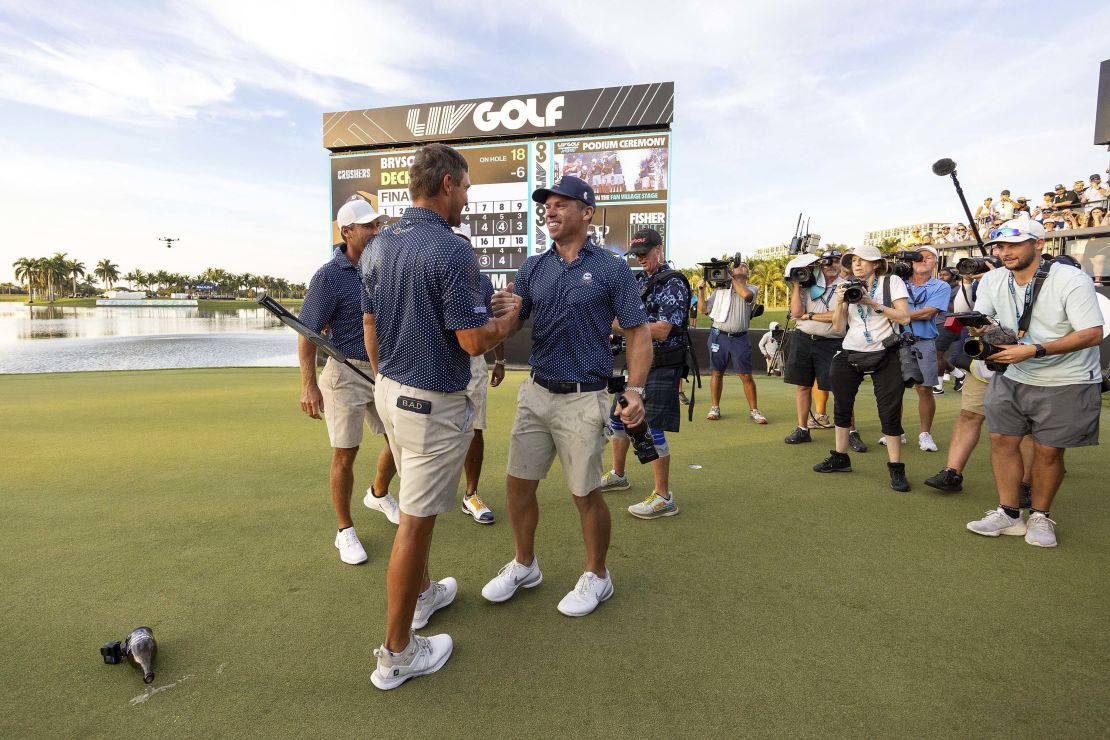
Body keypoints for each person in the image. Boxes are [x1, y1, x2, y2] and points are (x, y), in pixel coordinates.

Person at [362, 143, 520, 689]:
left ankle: (424, 595)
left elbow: (371, 325)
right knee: (414, 523)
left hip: (391, 389)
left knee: (413, 507)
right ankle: (397, 653)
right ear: (448, 184)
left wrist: (389, 379)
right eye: (468, 187)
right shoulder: (451, 250)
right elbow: (473, 340)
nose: (469, 197)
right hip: (430, 405)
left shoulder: (379, 245)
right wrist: (509, 321)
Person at [482, 175, 651, 617]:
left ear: (587, 212)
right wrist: (505, 314)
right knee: (518, 485)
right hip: (536, 392)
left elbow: (638, 333)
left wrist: (635, 389)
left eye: (561, 204)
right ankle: (525, 565)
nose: (550, 212)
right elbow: (515, 325)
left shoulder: (613, 268)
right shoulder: (533, 267)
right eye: (546, 206)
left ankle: (598, 575)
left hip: (584, 396)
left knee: (584, 494)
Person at [964, 219, 1103, 547]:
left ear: (1039, 244)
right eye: (1000, 246)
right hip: (1012, 373)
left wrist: (1034, 349)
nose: (1005, 252)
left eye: (1014, 245)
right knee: (1001, 440)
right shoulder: (994, 280)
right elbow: (985, 321)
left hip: (1066, 379)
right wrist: (981, 331)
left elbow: (1092, 334)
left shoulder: (1071, 279)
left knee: (1047, 450)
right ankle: (1009, 514)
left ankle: (1040, 515)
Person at [298, 198, 399, 566]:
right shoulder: (328, 276)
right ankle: (345, 530)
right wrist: (308, 384)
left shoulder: (385, 266)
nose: (376, 232)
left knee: (398, 438)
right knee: (346, 453)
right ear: (346, 232)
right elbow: (307, 333)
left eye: (377, 226)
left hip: (381, 369)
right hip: (343, 374)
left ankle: (378, 493)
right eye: (368, 227)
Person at [600, 228, 690, 519]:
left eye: (644, 253)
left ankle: (664, 496)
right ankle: (619, 474)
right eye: (635, 254)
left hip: (663, 364)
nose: (639, 259)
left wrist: (620, 325)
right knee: (618, 419)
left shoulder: (673, 282)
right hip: (637, 363)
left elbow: (663, 330)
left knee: (652, 428)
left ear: (659, 249)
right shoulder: (639, 281)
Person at [813, 245, 913, 491]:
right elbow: (837, 327)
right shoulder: (847, 286)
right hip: (851, 350)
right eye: (854, 260)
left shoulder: (892, 282)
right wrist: (839, 303)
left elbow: (904, 318)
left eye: (863, 260)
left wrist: (872, 302)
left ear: (877, 263)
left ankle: (896, 468)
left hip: (886, 351)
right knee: (842, 405)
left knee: (889, 410)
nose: (857, 264)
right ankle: (840, 457)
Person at [453, 224, 506, 525]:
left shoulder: (482, 283)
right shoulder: (429, 273)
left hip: (473, 364)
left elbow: (493, 325)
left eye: (463, 245)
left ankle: (470, 494)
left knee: (475, 430)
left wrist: (500, 360)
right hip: (435, 365)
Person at [782, 252, 860, 448]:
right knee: (802, 385)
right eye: (826, 262)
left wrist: (810, 316)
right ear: (818, 265)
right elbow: (796, 313)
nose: (831, 265)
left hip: (832, 343)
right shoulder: (808, 284)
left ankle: (851, 432)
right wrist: (796, 285)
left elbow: (839, 316)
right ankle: (802, 429)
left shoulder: (846, 285)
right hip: (803, 340)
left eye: (835, 261)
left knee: (841, 389)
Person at [697, 256, 767, 423]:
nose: (740, 266)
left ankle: (754, 411)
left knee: (746, 376)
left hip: (739, 338)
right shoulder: (720, 290)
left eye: (744, 266)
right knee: (717, 372)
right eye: (738, 266)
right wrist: (700, 290)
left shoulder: (752, 288)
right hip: (718, 336)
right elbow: (703, 309)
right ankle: (715, 407)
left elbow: (746, 296)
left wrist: (730, 278)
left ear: (748, 274)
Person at [895, 245, 951, 451]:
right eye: (918, 256)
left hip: (923, 340)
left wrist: (896, 313)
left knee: (925, 388)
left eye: (928, 257)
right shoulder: (898, 282)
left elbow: (928, 313)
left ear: (935, 263)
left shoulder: (940, 286)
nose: (923, 260)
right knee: (894, 389)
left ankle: (925, 434)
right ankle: (895, 431)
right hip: (896, 340)